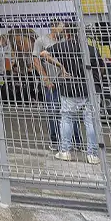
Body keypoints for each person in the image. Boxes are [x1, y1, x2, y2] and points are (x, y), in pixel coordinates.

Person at [39, 29, 102, 164]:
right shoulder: (91, 49)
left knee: (67, 118)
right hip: (91, 87)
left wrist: (62, 66)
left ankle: (65, 151)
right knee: (91, 121)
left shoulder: (63, 46)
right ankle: (93, 154)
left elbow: (43, 53)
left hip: (71, 87)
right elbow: (100, 66)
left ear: (67, 34)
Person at [33, 22, 80, 150]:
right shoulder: (42, 40)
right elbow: (36, 60)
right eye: (61, 26)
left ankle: (76, 142)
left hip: (67, 82)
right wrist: (45, 78)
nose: (63, 29)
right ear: (53, 26)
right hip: (52, 82)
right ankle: (56, 141)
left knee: (71, 111)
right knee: (53, 111)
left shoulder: (66, 41)